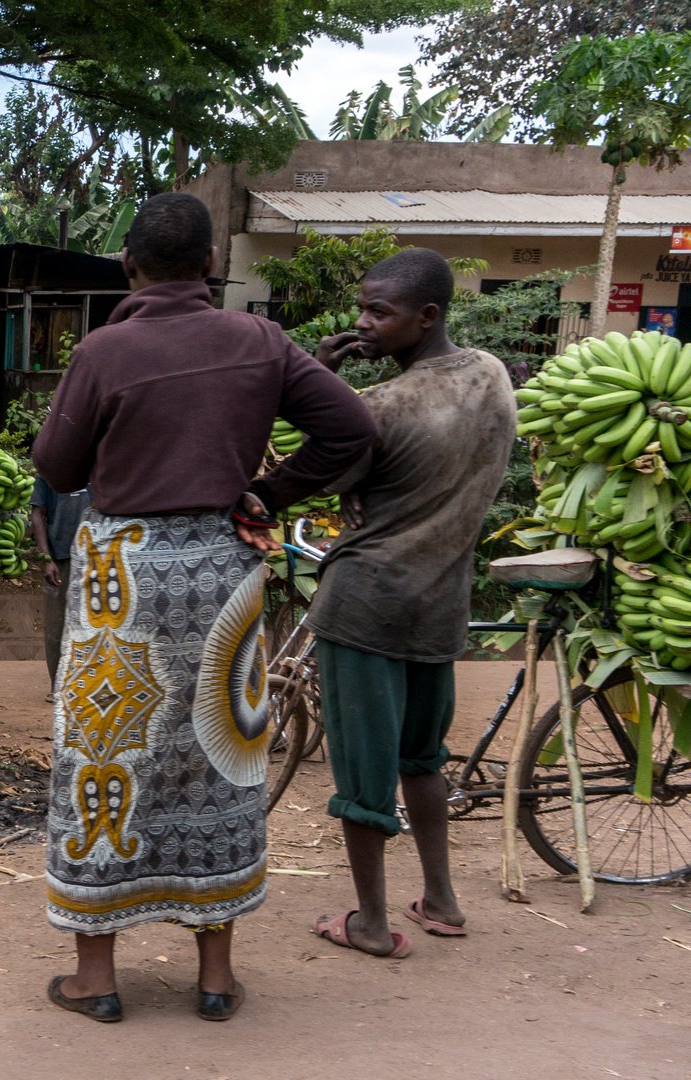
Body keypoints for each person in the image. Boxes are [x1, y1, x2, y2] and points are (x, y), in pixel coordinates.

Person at [31, 192, 376, 1024]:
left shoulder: (106, 350)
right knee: (223, 754)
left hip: (125, 581)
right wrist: (268, 491)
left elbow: (59, 463)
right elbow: (350, 427)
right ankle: (216, 979)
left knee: (105, 753)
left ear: (129, 266)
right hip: (225, 574)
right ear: (212, 266)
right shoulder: (260, 340)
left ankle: (96, 980)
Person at [304, 249, 515, 959]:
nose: (363, 324)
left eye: (379, 313)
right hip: (440, 602)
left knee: (363, 776)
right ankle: (443, 900)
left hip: (364, 605)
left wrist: (320, 379)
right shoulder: (492, 376)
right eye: (362, 308)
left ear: (426, 317)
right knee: (422, 761)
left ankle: (370, 921)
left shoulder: (380, 408)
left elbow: (317, 470)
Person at [28, 477, 91, 702]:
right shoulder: (51, 470)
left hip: (99, 554)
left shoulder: (102, 461)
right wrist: (46, 558)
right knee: (56, 625)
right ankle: (58, 684)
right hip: (61, 556)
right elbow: (38, 514)